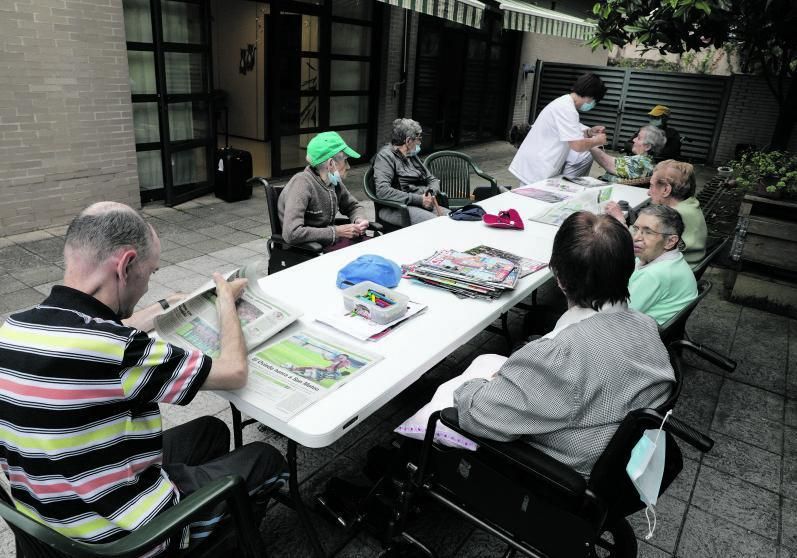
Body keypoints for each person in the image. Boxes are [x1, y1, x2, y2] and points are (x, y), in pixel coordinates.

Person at [0, 202, 287, 553]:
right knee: (265, 458)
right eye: (151, 273)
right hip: (122, 541)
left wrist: (166, 306)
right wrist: (226, 301)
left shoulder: (13, 329)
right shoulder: (118, 349)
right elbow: (234, 372)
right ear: (125, 266)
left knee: (212, 432)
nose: (147, 286)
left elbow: (96, 335)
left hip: (48, 523)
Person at [452, 212, 675, 476]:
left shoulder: (560, 355)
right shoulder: (646, 325)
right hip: (618, 459)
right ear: (629, 267)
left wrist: (475, 386)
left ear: (558, 275)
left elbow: (478, 416)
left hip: (562, 474)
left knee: (445, 407)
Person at [509, 73, 608, 186]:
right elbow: (577, 145)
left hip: (536, 165)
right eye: (595, 101)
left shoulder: (564, 103)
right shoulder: (567, 109)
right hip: (537, 168)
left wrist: (589, 132)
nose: (592, 105)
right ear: (590, 96)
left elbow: (565, 133)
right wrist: (598, 140)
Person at [278, 131, 370, 251]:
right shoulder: (301, 184)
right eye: (345, 160)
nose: (348, 167)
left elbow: (353, 206)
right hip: (307, 250)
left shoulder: (333, 181)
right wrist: (337, 231)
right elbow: (292, 233)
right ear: (331, 164)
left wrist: (359, 219)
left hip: (327, 244)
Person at [627, 205, 698, 325]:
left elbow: (619, 315)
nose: (636, 237)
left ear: (670, 241)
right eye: (636, 228)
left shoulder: (655, 274)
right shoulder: (667, 258)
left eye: (648, 232)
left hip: (640, 335)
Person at [372, 118, 450, 226]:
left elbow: (432, 179)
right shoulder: (385, 156)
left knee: (451, 219)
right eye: (418, 139)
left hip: (421, 202)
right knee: (437, 224)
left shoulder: (412, 155)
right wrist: (419, 199)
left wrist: (430, 193)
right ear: (408, 141)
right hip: (397, 207)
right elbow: (382, 191)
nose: (420, 142)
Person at [590, 125, 666, 183]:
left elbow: (606, 162)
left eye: (638, 138)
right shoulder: (648, 161)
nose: (633, 140)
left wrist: (589, 143)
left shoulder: (639, 162)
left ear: (647, 147)